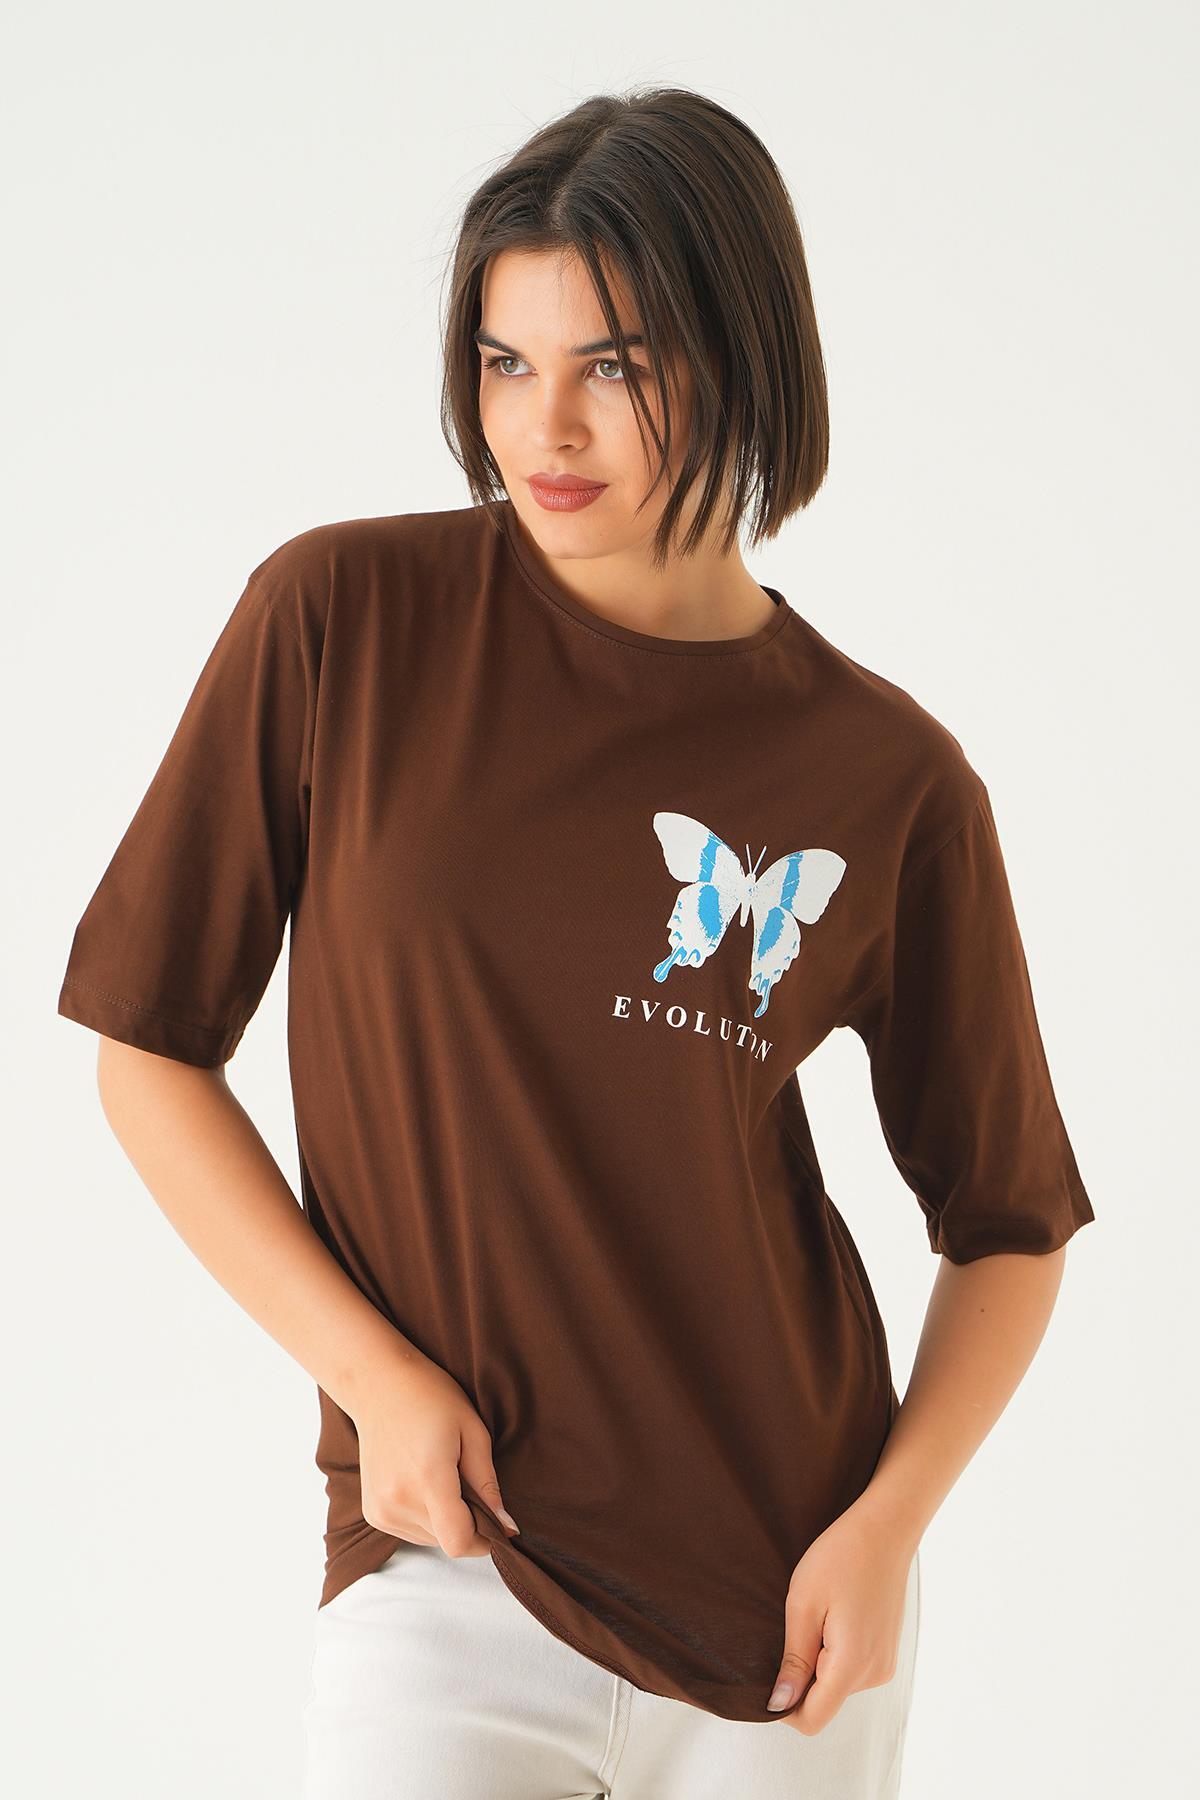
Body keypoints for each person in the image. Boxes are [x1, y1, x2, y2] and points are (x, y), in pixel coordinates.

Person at [56, 85, 1095, 1800]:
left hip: (789, 1608)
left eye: (615, 364)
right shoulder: (343, 623)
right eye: (504, 361)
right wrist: (373, 1379)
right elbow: (147, 1049)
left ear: (745, 353)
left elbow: (1011, 1227)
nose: (546, 425)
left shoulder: (890, 776)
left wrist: (888, 1529)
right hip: (442, 1562)